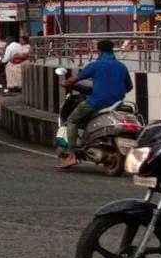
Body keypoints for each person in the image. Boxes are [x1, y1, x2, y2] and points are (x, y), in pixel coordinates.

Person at [57, 39, 133, 168]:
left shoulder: (95, 65)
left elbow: (75, 78)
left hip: (97, 102)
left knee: (72, 120)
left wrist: (65, 83)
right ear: (112, 50)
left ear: (98, 51)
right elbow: (129, 87)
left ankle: (71, 155)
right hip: (118, 103)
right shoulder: (121, 66)